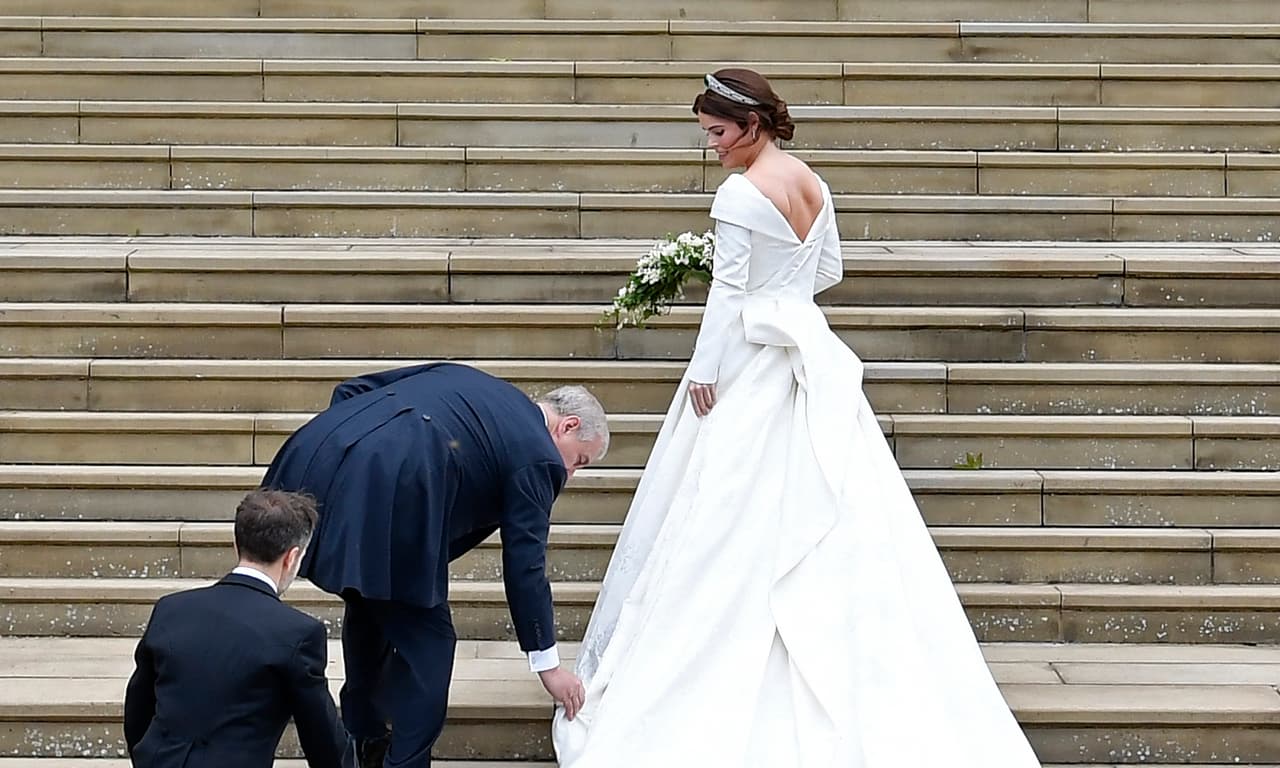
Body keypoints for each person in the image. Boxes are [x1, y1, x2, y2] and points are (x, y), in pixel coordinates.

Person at [552, 69, 1043, 767]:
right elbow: (827, 272)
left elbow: (726, 296)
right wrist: (780, 294)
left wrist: (705, 371)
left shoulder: (738, 192)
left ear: (751, 126)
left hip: (753, 360)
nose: (713, 148)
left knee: (722, 516)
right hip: (806, 355)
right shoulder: (812, 182)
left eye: (719, 134)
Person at [261, 362, 609, 768]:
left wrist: (355, 458)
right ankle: (402, 762)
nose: (571, 472)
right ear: (566, 426)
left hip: (313, 455)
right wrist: (547, 665)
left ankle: (363, 743)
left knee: (371, 604)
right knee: (431, 644)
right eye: (580, 460)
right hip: (389, 496)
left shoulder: (467, 379)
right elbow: (524, 565)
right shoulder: (540, 456)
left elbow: (353, 389)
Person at [123, 489, 353, 768]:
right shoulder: (297, 633)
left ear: (236, 544)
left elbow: (138, 710)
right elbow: (323, 738)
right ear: (292, 557)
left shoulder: (171, 609)